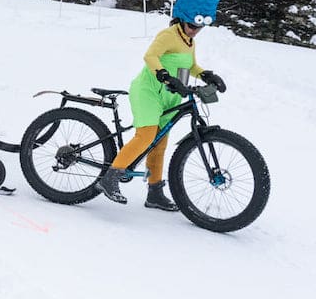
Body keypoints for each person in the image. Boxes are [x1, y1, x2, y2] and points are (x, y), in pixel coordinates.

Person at [95, 15, 226, 209]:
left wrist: (207, 75)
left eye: (199, 28)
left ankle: (154, 192)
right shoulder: (168, 35)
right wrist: (164, 75)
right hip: (149, 92)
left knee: (159, 144)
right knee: (146, 136)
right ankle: (110, 178)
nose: (194, 30)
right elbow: (150, 56)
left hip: (170, 95)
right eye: (192, 26)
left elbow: (190, 66)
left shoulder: (189, 41)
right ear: (183, 21)